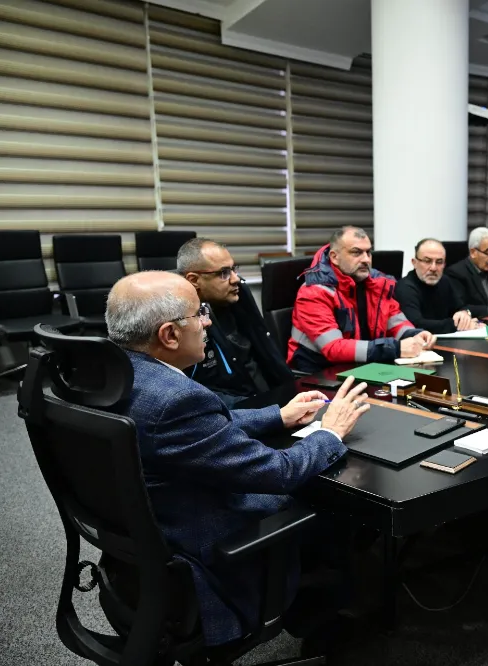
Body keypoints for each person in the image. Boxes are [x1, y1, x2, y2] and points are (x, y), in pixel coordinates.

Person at [105, 271, 371, 647]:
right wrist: (331, 431)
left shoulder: (116, 374)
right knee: (334, 507)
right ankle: (322, 614)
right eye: (198, 314)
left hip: (146, 540)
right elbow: (278, 472)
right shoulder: (176, 401)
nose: (207, 321)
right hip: (202, 550)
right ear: (169, 335)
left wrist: (277, 415)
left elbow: (199, 429)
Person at [288, 227, 435, 373]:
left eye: (368, 252)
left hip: (361, 368)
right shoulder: (314, 292)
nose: (366, 259)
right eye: (356, 252)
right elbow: (334, 348)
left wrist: (414, 335)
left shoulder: (376, 283)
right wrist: (395, 348)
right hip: (318, 375)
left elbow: (395, 322)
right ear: (334, 257)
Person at [177, 238, 293, 406]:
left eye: (233, 269)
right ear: (194, 280)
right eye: (224, 273)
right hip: (235, 413)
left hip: (272, 400)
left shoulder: (239, 298)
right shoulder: (181, 321)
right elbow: (194, 394)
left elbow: (268, 357)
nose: (235, 278)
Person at [395, 238, 483, 334]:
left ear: (444, 264)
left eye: (439, 262)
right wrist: (456, 325)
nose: (433, 268)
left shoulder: (444, 281)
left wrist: (464, 314)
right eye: (427, 261)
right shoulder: (405, 287)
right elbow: (416, 324)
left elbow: (460, 307)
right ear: (414, 263)